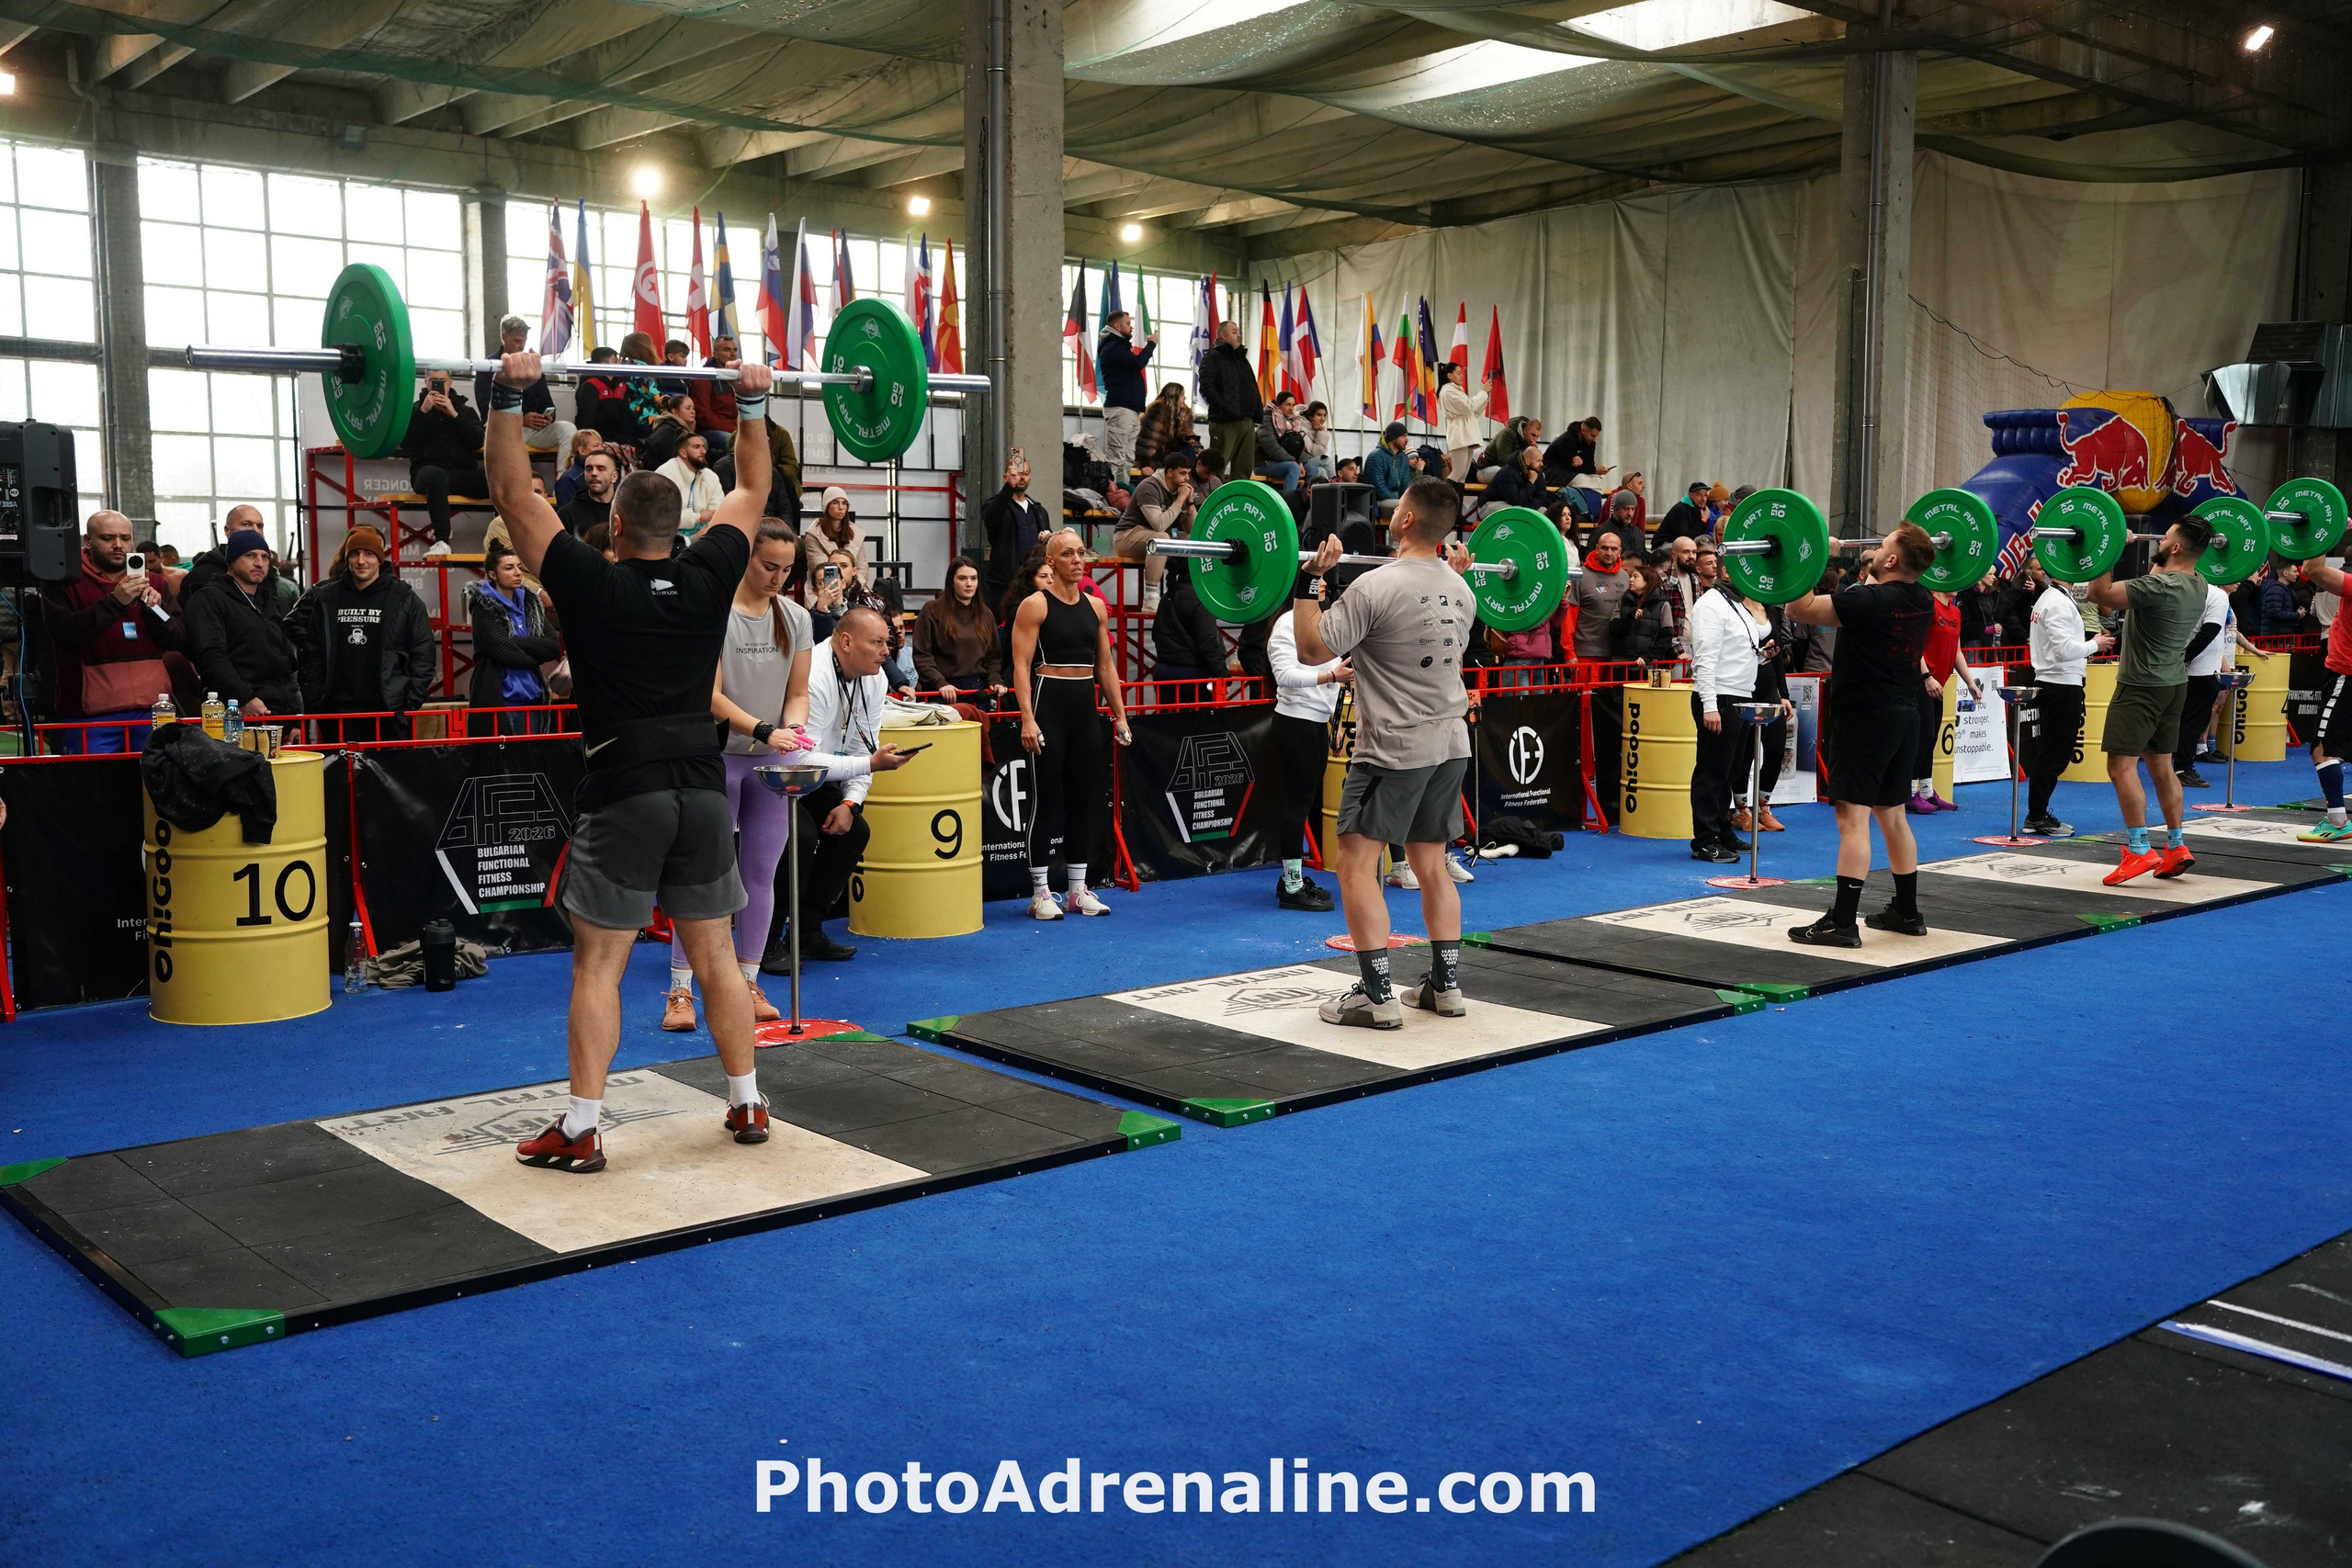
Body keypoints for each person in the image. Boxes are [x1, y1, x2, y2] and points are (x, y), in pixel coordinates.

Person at [483, 344, 781, 1174]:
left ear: (615, 525)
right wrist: (752, 404)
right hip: (699, 790)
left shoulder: (586, 578)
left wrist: (509, 392)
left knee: (601, 963)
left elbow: (511, 492)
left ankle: (582, 1127)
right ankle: (748, 1100)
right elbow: (752, 488)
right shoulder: (709, 569)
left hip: (625, 792)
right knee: (717, 954)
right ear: (681, 525)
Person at [1290, 478, 1474, 1027]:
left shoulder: (1375, 586)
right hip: (1450, 744)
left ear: (1409, 521)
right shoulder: (1462, 589)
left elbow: (1309, 648)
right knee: (1432, 864)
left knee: (1354, 865)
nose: (1392, 514)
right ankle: (1446, 988)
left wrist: (1309, 578)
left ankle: (1376, 996)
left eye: (1399, 508)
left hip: (1393, 749)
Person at [1782, 523, 1939, 945]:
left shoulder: (1867, 600)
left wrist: (1816, 556)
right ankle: (1907, 912)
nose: (1873, 546)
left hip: (1865, 719)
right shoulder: (1923, 597)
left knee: (1853, 817)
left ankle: (1843, 922)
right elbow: (1872, 588)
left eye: (1882, 544)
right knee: (1893, 814)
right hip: (1905, 716)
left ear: (1889, 560)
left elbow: (1799, 608)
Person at [699, 521, 814, 1010]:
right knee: (704, 878)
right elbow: (710, 696)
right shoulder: (714, 613)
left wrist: (793, 728)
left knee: (761, 872)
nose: (778, 578)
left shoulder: (796, 617)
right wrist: (766, 730)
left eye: (787, 570)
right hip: (717, 758)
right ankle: (682, 989)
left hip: (769, 764)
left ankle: (748, 979)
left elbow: (798, 694)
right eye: (769, 566)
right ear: (746, 559)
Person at [760, 606, 912, 964]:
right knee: (802, 837)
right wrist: (870, 764)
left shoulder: (874, 678)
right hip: (777, 775)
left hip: (819, 774)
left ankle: (806, 931)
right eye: (877, 642)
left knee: (854, 831)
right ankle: (765, 941)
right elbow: (797, 759)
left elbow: (865, 746)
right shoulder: (812, 672)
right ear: (845, 641)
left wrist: (850, 805)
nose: (886, 651)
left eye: (886, 642)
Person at [1009, 528, 1133, 919]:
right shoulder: (1034, 605)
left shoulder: (1096, 607)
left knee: (1083, 801)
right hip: (1048, 705)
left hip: (1085, 708)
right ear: (1051, 561)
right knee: (1045, 801)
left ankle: (1078, 891)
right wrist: (1027, 719)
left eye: (1081, 553)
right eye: (1068, 554)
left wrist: (1120, 715)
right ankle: (1040, 892)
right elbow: (1021, 667)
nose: (1078, 560)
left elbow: (1106, 666)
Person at [2082, 517, 2212, 884]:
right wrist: (2157, 553)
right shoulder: (2198, 582)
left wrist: (2109, 547)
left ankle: (2139, 851)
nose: (2160, 537)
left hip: (2140, 686)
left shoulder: (2161, 585)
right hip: (2174, 684)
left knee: (2120, 767)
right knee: (2162, 766)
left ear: (2173, 548)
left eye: (2166, 536)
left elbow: (2099, 595)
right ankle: (2176, 846)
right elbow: (2159, 571)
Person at [41, 509, 185, 753]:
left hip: (152, 709)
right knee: (93, 787)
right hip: (89, 715)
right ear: (88, 541)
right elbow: (64, 632)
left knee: (154, 786)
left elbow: (178, 638)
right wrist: (115, 602)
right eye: (108, 538)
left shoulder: (155, 583)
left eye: (125, 538)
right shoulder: (64, 581)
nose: (119, 545)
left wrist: (156, 610)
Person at [289, 524, 437, 735]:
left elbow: (423, 655)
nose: (361, 561)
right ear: (347, 558)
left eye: (369, 553)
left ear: (379, 558)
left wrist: (408, 704)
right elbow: (313, 652)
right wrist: (316, 699)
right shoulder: (328, 598)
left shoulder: (404, 598)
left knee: (390, 768)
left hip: (388, 715)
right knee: (339, 770)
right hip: (336, 715)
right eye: (355, 554)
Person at [1687, 577, 1790, 863]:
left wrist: (1761, 656)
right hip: (1719, 698)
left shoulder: (1737, 605)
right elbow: (1704, 660)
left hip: (1740, 696)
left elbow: (1734, 654)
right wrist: (1709, 705)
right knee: (1712, 773)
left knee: (1731, 772)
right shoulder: (1710, 605)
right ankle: (1705, 841)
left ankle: (1722, 830)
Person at [1266, 606, 1350, 911]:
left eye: (1325, 580)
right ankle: (1291, 886)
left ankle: (1292, 877)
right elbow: (1285, 675)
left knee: (1305, 800)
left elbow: (1338, 681)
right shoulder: (1287, 624)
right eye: (1316, 581)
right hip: (1294, 721)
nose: (1323, 586)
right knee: (1297, 804)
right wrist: (1331, 674)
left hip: (1317, 723)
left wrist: (1336, 722)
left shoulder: (1325, 624)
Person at [2019, 558, 2109, 839]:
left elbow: (2064, 646)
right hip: (2059, 684)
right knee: (2054, 753)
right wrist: (2096, 644)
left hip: (2060, 682)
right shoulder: (2056, 602)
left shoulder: (2054, 599)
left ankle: (2038, 814)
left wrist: (2091, 643)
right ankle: (2036, 816)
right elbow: (2062, 650)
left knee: (2054, 752)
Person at [183, 525, 301, 722]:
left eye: (265, 557)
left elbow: (284, 658)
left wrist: (293, 718)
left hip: (278, 712)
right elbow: (212, 656)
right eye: (250, 555)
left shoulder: (267, 600)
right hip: (235, 712)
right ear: (232, 560)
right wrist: (245, 698)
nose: (259, 563)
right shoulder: (209, 599)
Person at [2177, 577, 2271, 790]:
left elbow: (2220, 632)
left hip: (2198, 666)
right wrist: (2186, 657)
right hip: (2201, 669)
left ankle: (2180, 765)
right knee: (2192, 720)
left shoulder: (2195, 593)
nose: (2238, 582)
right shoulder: (2215, 595)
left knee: (2189, 718)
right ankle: (2182, 768)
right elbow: (2208, 632)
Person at [464, 543, 561, 735]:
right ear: (493, 575)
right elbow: (504, 651)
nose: (518, 573)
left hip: (533, 700)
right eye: (509, 568)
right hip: (499, 702)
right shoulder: (483, 606)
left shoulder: (530, 603)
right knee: (502, 763)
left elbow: (553, 646)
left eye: (519, 567)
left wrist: (516, 641)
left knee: (531, 762)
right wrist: (535, 656)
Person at [2291, 550, 2352, 840]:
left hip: (2346, 677)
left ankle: (2338, 822)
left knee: (2323, 750)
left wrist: (2321, 535)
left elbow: (2312, 569)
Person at [1905, 590, 1981, 815]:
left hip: (1940, 682)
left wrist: (1970, 683)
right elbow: (1915, 644)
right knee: (1923, 735)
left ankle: (1927, 791)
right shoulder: (1927, 605)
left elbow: (1956, 651)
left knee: (1932, 737)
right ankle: (1908, 794)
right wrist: (1926, 676)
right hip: (1920, 681)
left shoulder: (1955, 611)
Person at [472, 314, 576, 475]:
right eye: (517, 341)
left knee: (568, 429)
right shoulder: (489, 366)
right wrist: (521, 419)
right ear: (504, 337)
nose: (522, 346)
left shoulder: (532, 365)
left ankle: (563, 482)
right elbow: (486, 410)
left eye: (524, 341)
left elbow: (547, 401)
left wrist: (548, 416)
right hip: (502, 428)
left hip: (533, 429)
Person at [400, 369, 484, 558]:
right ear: (426, 382)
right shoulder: (413, 409)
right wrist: (423, 411)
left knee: (497, 479)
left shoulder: (464, 410)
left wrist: (454, 414)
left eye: (442, 381)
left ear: (451, 382)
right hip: (426, 471)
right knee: (435, 475)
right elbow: (407, 444)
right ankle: (442, 541)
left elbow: (477, 441)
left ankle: (505, 538)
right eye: (433, 380)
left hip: (462, 472)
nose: (438, 384)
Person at [911, 555, 1005, 705]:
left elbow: (993, 657)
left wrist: (995, 679)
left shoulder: (985, 614)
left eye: (973, 578)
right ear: (951, 581)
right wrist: (939, 682)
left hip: (977, 689)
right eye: (962, 578)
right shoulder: (932, 611)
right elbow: (922, 655)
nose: (969, 584)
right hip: (942, 690)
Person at [1114, 450, 1197, 611]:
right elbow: (1158, 524)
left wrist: (1190, 501)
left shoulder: (1179, 490)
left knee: (1193, 538)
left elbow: (1191, 528)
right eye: (1183, 473)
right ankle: (1150, 597)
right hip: (1126, 536)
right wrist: (1180, 500)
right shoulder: (1149, 486)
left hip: (1156, 536)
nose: (1187, 478)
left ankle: (1187, 592)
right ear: (1170, 472)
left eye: (1189, 474)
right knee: (1160, 538)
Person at [1149, 557, 1235, 698]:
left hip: (1163, 673)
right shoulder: (1201, 600)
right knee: (1199, 720)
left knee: (1167, 719)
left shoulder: (1166, 597)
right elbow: (1208, 643)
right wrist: (1223, 675)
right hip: (1192, 678)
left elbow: (1156, 634)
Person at [828, 548, 912, 690]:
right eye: (833, 567)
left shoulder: (872, 601)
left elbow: (887, 646)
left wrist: (897, 681)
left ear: (854, 570)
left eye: (843, 566)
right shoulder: (818, 608)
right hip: (832, 677)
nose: (838, 571)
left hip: (869, 679)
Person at [980, 451, 1053, 608]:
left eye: (1025, 473)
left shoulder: (1039, 510)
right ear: (1006, 477)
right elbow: (991, 517)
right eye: (1017, 473)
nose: (1022, 477)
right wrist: (1008, 488)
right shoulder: (996, 505)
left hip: (1034, 584)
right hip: (1005, 584)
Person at [1198, 319, 1263, 488]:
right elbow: (1206, 386)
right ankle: (1213, 504)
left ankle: (1238, 503)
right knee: (1217, 468)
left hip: (1247, 421)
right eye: (1234, 331)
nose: (1239, 334)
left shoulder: (1242, 359)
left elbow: (1252, 386)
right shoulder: (1213, 357)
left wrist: (1257, 409)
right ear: (1223, 336)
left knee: (1244, 469)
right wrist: (1224, 408)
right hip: (1225, 422)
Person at [1096, 310, 1156, 474]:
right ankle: (1112, 496)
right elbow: (1137, 363)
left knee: (1127, 459)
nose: (1132, 327)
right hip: (1120, 409)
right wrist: (1151, 345)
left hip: (1129, 409)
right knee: (1116, 459)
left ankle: (1123, 495)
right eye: (1128, 324)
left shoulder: (1118, 346)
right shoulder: (1113, 347)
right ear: (1117, 326)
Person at [657, 433, 724, 541]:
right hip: (669, 537)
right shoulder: (665, 474)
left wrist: (710, 527)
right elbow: (663, 518)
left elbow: (718, 510)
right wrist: (698, 517)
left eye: (703, 447)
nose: (703, 451)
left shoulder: (711, 476)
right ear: (683, 453)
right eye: (696, 447)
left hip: (703, 534)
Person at [1435, 361, 1493, 484]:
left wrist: (1485, 396)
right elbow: (1468, 407)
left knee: (1463, 476)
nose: (1462, 376)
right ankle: (1447, 500)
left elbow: (1473, 412)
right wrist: (1483, 392)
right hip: (1459, 434)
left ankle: (1457, 502)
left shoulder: (1457, 391)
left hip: (1466, 434)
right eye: (1458, 373)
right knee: (1458, 472)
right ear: (1449, 375)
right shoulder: (1448, 391)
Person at [1611, 558, 1677, 668]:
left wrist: (1648, 656)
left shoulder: (1662, 604)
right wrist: (1629, 617)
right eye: (1631, 576)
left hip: (1648, 664)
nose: (1631, 579)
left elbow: (1666, 636)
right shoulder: (1623, 601)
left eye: (1636, 577)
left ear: (1648, 581)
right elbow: (1613, 629)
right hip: (1621, 662)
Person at [1542, 417, 1610, 518]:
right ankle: (1590, 514)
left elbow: (1590, 464)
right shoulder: (1567, 439)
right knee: (1586, 480)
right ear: (1583, 430)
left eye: (1596, 436)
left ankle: (1593, 514)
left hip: (1571, 473)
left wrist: (1584, 464)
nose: (1594, 439)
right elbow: (1570, 466)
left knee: (1597, 479)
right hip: (1553, 473)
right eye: (1592, 436)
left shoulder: (1590, 443)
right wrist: (1589, 467)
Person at [687, 335, 741, 459]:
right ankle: (727, 475)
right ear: (715, 354)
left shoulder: (738, 375)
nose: (732, 353)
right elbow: (704, 417)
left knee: (769, 436)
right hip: (711, 430)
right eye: (727, 350)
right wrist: (734, 429)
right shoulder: (704, 378)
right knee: (730, 441)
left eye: (735, 350)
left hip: (735, 427)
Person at [1364, 423, 1422, 520]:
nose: (1407, 440)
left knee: (1420, 506)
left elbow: (1405, 484)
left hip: (1397, 501)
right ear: (1393, 437)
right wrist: (1399, 500)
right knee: (1406, 508)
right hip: (1378, 502)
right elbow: (1378, 488)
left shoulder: (1403, 457)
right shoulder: (1376, 456)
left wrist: (1405, 499)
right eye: (1403, 436)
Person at [1134, 381, 1194, 470]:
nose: (1185, 398)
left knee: (1189, 450)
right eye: (1182, 395)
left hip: (1171, 454)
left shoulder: (1184, 414)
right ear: (1173, 396)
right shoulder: (1156, 411)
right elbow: (1144, 441)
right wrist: (1145, 464)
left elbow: (1176, 440)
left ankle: (1187, 474)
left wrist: (1188, 438)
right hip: (1156, 457)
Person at [560, 448, 618, 536]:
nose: (594, 473)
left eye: (601, 469)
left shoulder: (627, 512)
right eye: (589, 469)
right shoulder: (568, 515)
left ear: (614, 477)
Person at [553, 430, 606, 509]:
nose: (602, 449)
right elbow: (567, 515)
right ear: (582, 451)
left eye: (602, 445)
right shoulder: (568, 480)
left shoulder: (608, 472)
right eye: (596, 446)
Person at [1654, 481, 1712, 550]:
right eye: (1699, 495)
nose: (1703, 499)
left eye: (1705, 495)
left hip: (1680, 545)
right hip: (1663, 546)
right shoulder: (1680, 510)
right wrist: (1703, 521)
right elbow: (1685, 537)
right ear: (1690, 495)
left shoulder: (1700, 510)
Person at [809, 486, 859, 558]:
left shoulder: (856, 532)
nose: (841, 507)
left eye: (844, 503)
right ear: (826, 506)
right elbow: (819, 565)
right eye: (835, 503)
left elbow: (862, 565)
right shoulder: (814, 534)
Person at [1299, 401, 1336, 483]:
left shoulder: (1319, 428)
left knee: (1322, 471)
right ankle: (1336, 482)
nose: (1322, 418)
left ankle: (1327, 492)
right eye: (1319, 415)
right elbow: (1314, 452)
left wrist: (1321, 431)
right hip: (1304, 462)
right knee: (1325, 459)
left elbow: (1321, 450)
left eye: (1324, 415)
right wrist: (1322, 431)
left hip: (1314, 461)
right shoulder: (1301, 428)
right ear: (1311, 416)